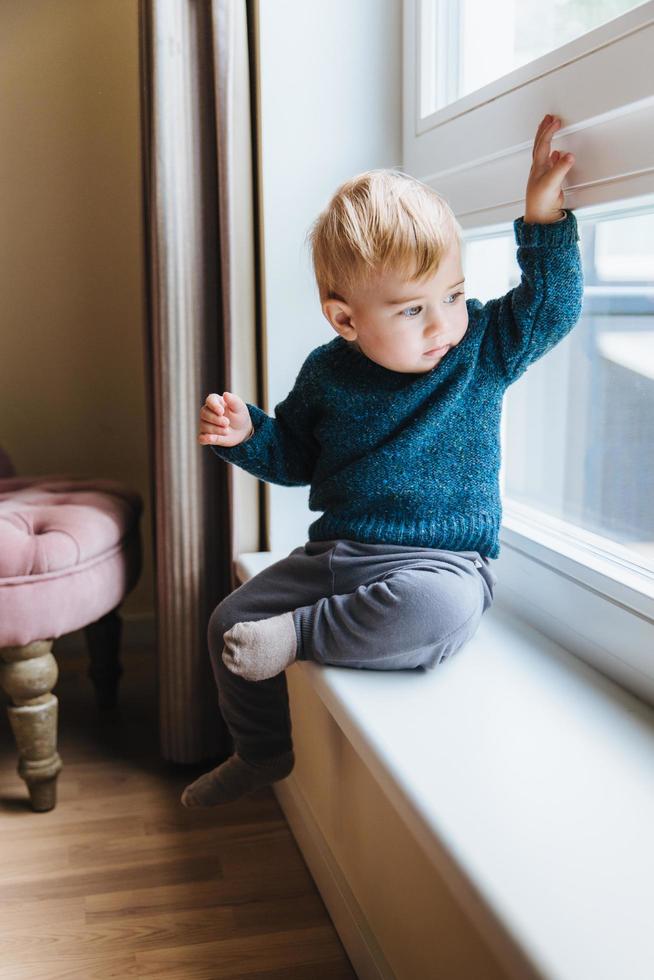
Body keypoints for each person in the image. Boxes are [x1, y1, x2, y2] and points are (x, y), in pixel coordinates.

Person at [181, 113, 583, 807]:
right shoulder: (327, 374)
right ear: (345, 320)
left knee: (444, 609)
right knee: (226, 624)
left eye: (453, 296)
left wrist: (543, 222)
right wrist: (250, 433)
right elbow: (297, 456)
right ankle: (261, 753)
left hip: (438, 565)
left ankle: (302, 636)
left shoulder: (479, 349)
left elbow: (553, 308)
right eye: (411, 310)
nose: (442, 324)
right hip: (334, 553)